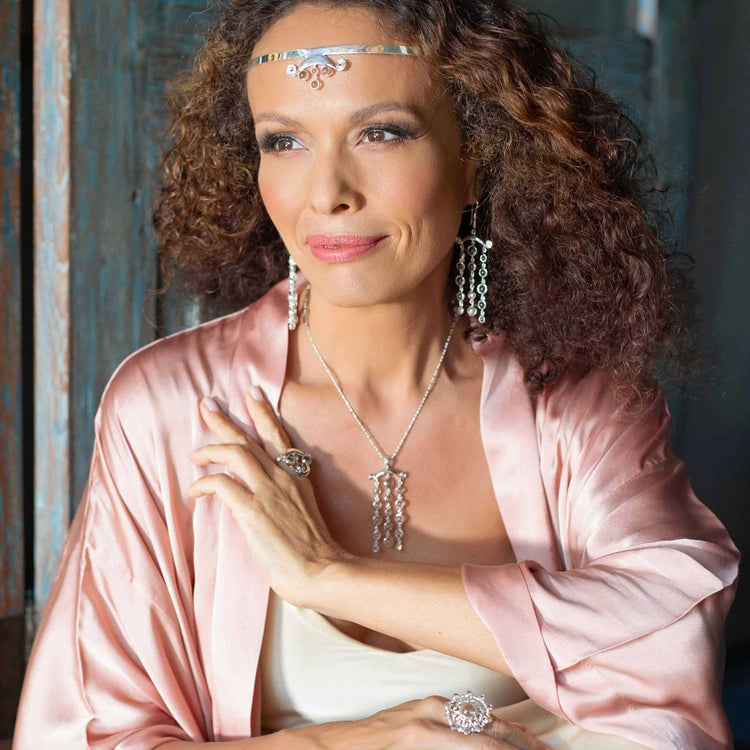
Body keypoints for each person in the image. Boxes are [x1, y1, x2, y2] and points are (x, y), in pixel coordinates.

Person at [13, 0, 741, 748]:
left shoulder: (573, 395)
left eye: (381, 132)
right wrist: (353, 741)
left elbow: (673, 631)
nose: (327, 192)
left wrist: (330, 576)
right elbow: (84, 737)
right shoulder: (172, 410)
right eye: (284, 140)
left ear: (479, 157)